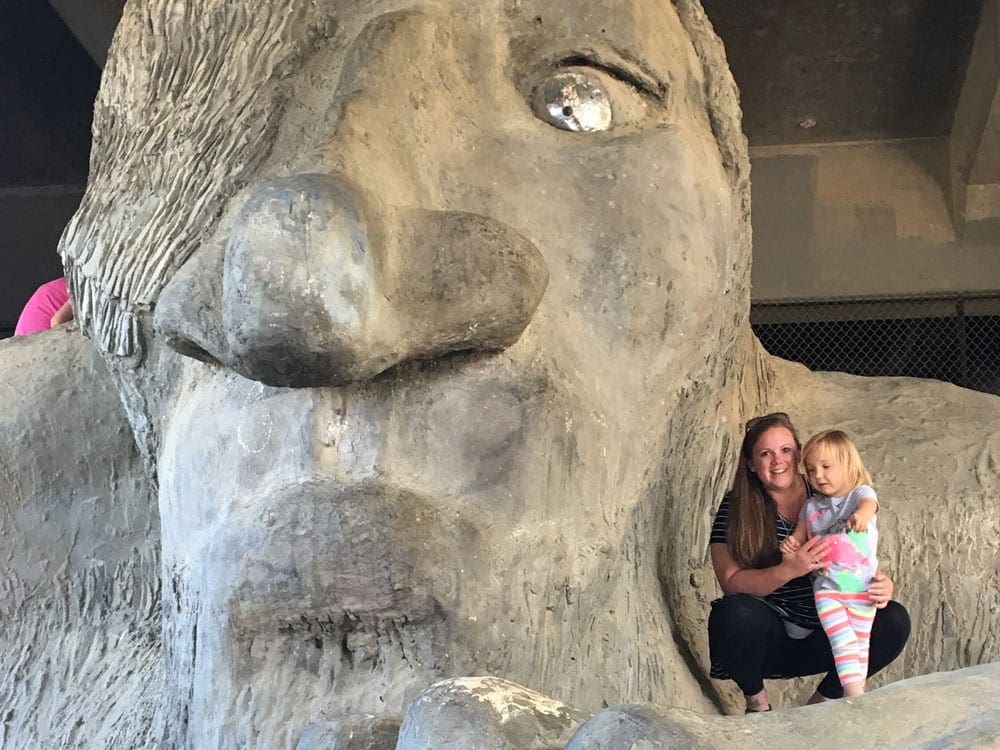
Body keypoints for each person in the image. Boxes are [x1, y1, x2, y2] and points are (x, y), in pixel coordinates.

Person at [708, 412, 910, 713]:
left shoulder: (828, 490)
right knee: (732, 614)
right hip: (771, 635)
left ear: (799, 454)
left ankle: (821, 704)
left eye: (786, 450)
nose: (778, 461)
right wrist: (787, 570)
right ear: (751, 463)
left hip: (827, 631)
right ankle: (758, 705)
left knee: (893, 620)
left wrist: (881, 582)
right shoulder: (736, 506)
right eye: (766, 453)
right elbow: (730, 580)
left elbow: (858, 545)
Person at [780, 429, 879, 697]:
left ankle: (854, 692)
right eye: (811, 470)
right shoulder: (811, 507)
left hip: (861, 587)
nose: (817, 476)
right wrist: (791, 544)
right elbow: (798, 536)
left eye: (826, 467)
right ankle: (853, 695)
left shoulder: (859, 494)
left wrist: (860, 515)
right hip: (828, 588)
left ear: (848, 464)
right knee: (841, 640)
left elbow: (869, 504)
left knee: (861, 642)